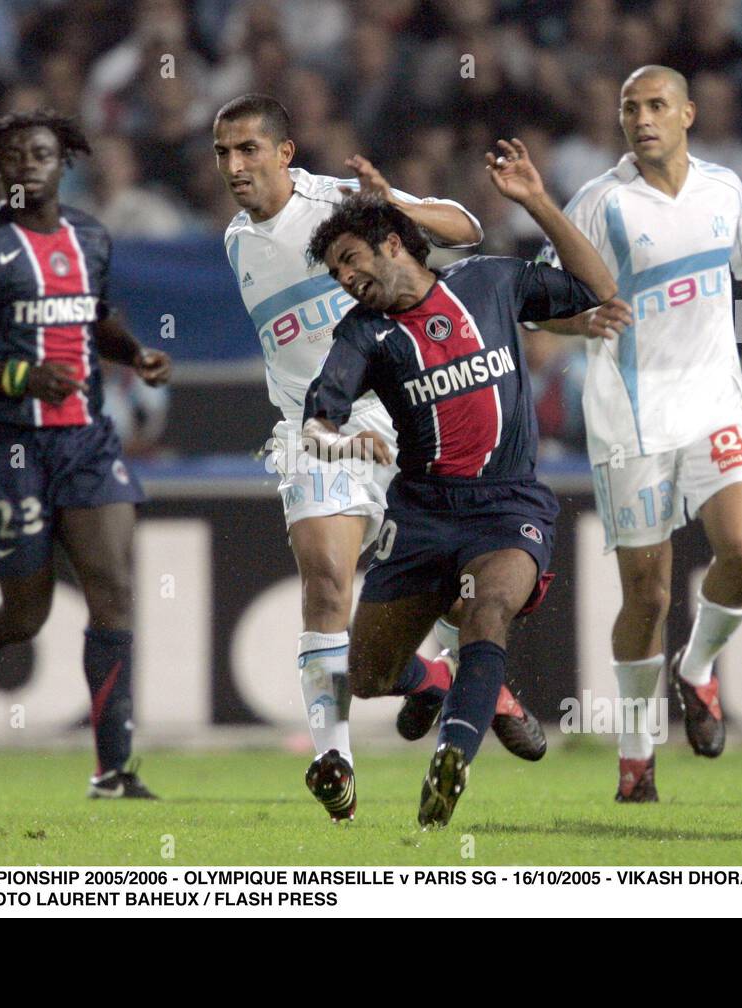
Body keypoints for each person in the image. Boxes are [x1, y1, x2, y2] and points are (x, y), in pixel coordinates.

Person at [214, 93, 548, 823]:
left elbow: (467, 229)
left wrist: (394, 200)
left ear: (283, 153)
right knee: (327, 578)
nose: (234, 167)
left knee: (454, 588)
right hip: (319, 425)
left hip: (409, 408)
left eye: (247, 150)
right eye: (222, 154)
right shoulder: (236, 241)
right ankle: (332, 758)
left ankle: (453, 680)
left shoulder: (341, 203)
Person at [301, 139, 625, 828]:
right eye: (334, 273)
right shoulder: (363, 335)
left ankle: (453, 756)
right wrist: (338, 441)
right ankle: (437, 682)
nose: (345, 279)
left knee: (489, 611)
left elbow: (598, 289)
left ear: (392, 244)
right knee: (368, 676)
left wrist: (537, 202)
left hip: (506, 506)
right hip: (420, 514)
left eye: (351, 261)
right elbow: (315, 421)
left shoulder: (490, 282)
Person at [535, 66, 742, 802]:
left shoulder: (725, 189)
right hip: (631, 416)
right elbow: (536, 302)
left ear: (688, 112)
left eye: (657, 105)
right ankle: (635, 757)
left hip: (716, 400)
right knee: (649, 595)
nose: (642, 117)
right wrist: (580, 319)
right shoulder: (598, 204)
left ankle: (697, 668)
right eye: (630, 107)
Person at [0, 109, 172, 800]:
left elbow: (94, 314)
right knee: (27, 616)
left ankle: (113, 771)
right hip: (6, 442)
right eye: (14, 155)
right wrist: (17, 377)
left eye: (41, 153)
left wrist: (133, 351)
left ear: (63, 162)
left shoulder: (90, 236)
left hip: (85, 437)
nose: (28, 163)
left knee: (112, 590)